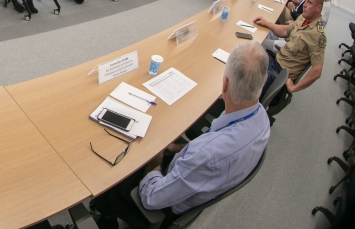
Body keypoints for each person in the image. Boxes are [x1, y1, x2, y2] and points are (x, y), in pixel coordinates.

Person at [90, 41, 269, 229]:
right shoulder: (262, 119)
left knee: (110, 172)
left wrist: (155, 159)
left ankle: (105, 215)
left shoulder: (207, 155)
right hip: (200, 179)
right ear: (264, 81)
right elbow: (205, 154)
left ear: (224, 84)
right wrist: (173, 148)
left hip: (163, 202)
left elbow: (151, 197)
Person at [255, 0, 326, 95]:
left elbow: (317, 71)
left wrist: (294, 87)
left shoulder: (318, 35)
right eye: (306, 1)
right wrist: (267, 23)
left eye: (310, 3)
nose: (305, 5)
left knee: (249, 81)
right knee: (247, 58)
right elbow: (284, 31)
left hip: (279, 74)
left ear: (318, 8)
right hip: (275, 60)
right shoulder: (303, 18)